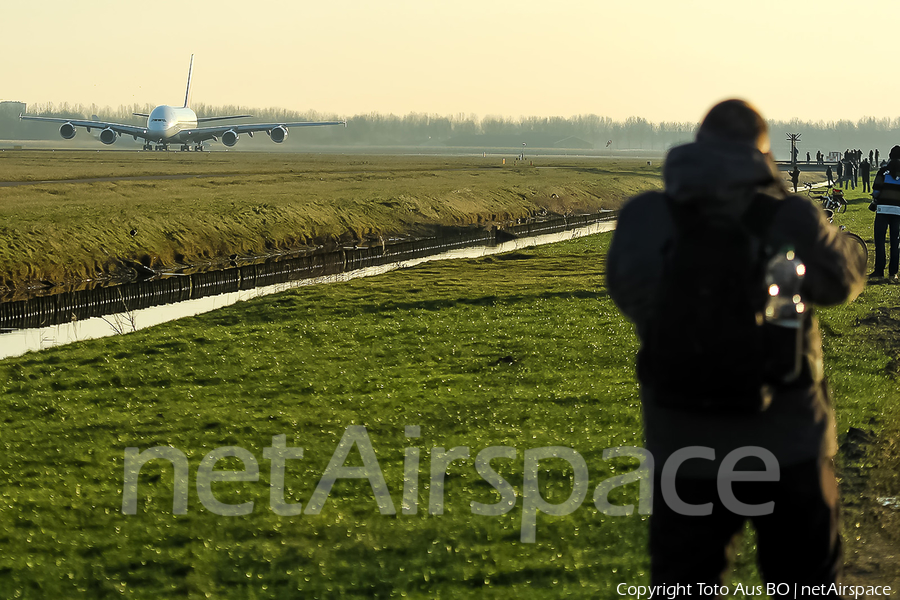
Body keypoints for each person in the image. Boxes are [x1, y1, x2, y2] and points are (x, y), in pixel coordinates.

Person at [607, 99, 865, 593]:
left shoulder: (646, 217)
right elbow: (843, 281)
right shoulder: (790, 215)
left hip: (683, 442)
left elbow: (630, 291)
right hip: (788, 442)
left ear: (698, 143)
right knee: (806, 582)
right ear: (763, 150)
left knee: (686, 584)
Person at [870, 145, 900, 280]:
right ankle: (893, 273)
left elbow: (876, 190)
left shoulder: (883, 171)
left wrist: (875, 198)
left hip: (882, 210)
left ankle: (879, 271)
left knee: (880, 241)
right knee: (895, 242)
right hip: (898, 211)